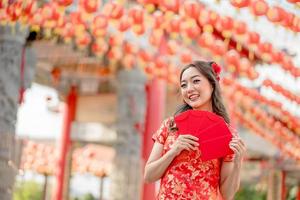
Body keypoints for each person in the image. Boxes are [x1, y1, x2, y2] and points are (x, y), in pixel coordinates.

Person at [144, 61, 246, 200]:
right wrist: (173, 152)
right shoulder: (170, 125)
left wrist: (238, 162)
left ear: (212, 84)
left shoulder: (228, 135)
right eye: (184, 85)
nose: (189, 89)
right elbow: (149, 176)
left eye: (196, 81)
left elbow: (227, 195)